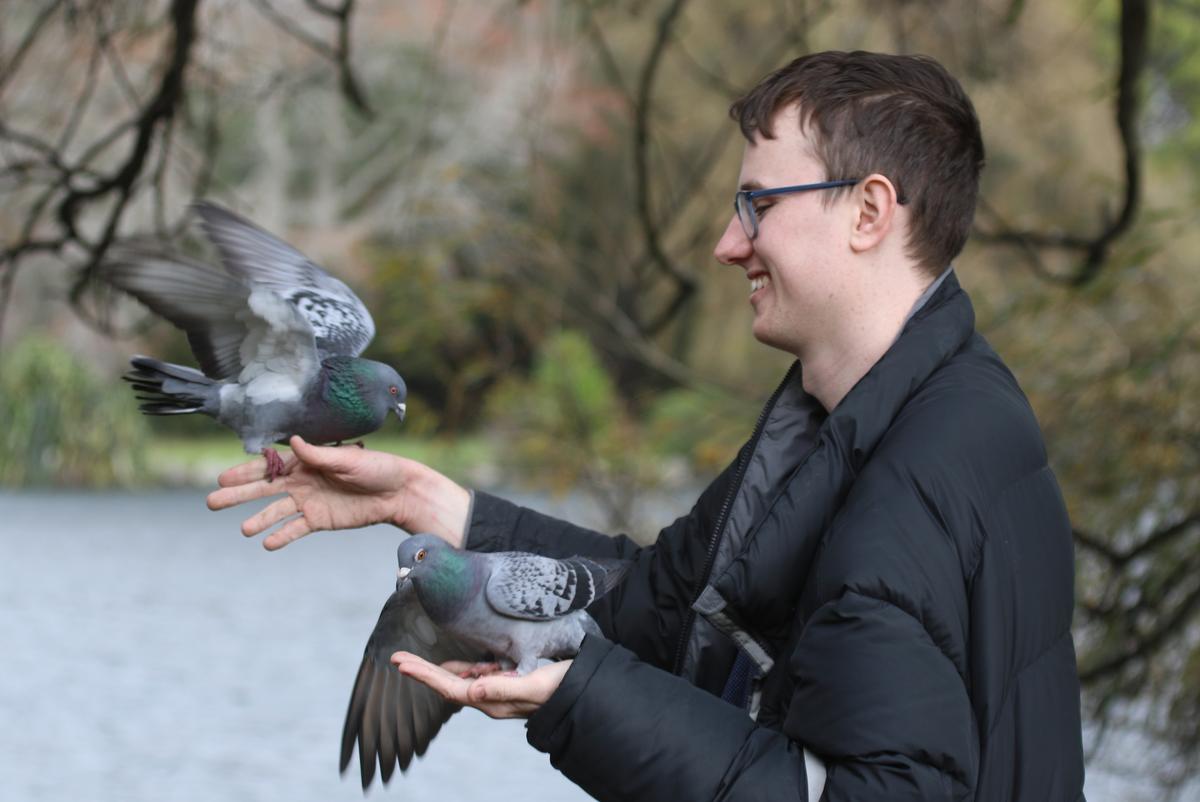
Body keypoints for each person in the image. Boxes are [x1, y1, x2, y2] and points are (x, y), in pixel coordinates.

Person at [208, 51, 1086, 801]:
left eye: (757, 206)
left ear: (867, 212)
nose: (727, 245)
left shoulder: (920, 475)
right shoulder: (851, 424)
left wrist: (575, 696)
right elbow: (661, 607)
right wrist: (429, 503)